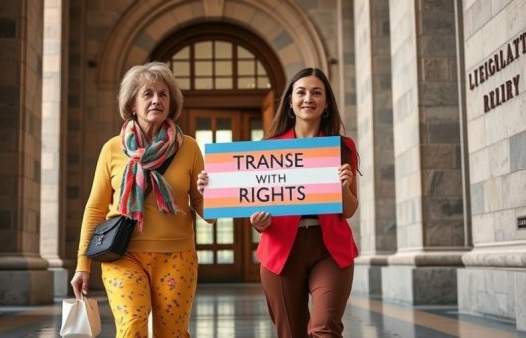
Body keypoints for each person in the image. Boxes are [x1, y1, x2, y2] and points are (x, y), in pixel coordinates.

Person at [197, 67, 359, 338]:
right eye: (301, 92)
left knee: (325, 329)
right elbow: (253, 202)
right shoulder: (268, 149)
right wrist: (214, 187)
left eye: (316, 92)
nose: (308, 98)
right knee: (290, 333)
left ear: (327, 102)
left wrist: (343, 188)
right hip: (281, 250)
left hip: (330, 249)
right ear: (290, 102)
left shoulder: (343, 147)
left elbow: (351, 210)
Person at [71, 62, 206, 338]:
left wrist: (212, 194)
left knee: (173, 334)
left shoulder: (189, 147)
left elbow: (205, 208)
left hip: (177, 256)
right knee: (131, 327)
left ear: (171, 103)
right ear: (132, 103)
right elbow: (95, 208)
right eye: (148, 94)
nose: (156, 100)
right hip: (123, 253)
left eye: (163, 94)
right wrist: (82, 265)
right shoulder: (112, 148)